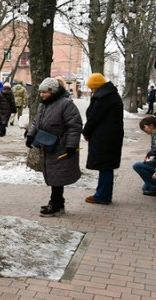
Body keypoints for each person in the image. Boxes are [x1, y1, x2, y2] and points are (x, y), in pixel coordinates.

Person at [25, 78, 83, 217]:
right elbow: (36, 122)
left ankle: (56, 205)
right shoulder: (43, 105)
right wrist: (30, 136)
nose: (42, 95)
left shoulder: (66, 104)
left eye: (45, 92)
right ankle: (57, 203)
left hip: (61, 147)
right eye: (41, 92)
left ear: (54, 92)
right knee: (53, 175)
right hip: (47, 146)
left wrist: (71, 145)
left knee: (57, 177)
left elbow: (74, 126)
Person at [82, 73, 123, 205]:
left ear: (97, 86)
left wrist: (86, 131)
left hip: (104, 137)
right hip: (110, 136)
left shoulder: (103, 98)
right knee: (106, 166)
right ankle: (102, 194)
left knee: (105, 166)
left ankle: (102, 196)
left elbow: (94, 117)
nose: (92, 91)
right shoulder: (111, 95)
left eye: (93, 88)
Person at [132, 116, 156, 196]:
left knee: (137, 165)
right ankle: (153, 186)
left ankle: (154, 187)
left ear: (151, 125)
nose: (144, 130)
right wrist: (149, 153)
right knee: (145, 188)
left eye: (144, 127)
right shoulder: (153, 134)